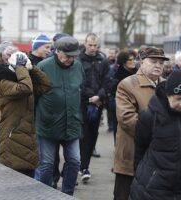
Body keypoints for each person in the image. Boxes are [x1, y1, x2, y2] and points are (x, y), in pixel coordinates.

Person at [129, 70, 181, 200]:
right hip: (154, 187)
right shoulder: (150, 115)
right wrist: (144, 176)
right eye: (178, 99)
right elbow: (140, 148)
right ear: (167, 95)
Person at [113, 46, 169, 200]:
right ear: (142, 62)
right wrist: (160, 133)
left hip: (158, 155)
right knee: (124, 194)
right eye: (153, 61)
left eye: (161, 62)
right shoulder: (127, 84)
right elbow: (127, 119)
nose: (158, 65)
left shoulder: (167, 85)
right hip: (131, 154)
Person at [35, 36, 85, 195]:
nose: (71, 59)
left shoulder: (78, 66)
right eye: (68, 55)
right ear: (58, 51)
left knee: (75, 161)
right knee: (47, 165)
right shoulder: (43, 66)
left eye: (74, 56)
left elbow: (81, 90)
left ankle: (67, 195)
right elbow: (34, 96)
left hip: (72, 124)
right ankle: (45, 195)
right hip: (48, 125)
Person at [0, 51, 51, 178]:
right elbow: (25, 88)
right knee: (13, 180)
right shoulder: (4, 82)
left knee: (27, 181)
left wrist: (32, 68)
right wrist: (21, 68)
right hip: (12, 137)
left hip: (27, 136)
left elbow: (46, 85)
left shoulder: (25, 79)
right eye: (21, 66)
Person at [78, 33, 110, 183]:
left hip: (97, 104)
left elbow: (107, 82)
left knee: (93, 135)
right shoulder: (78, 60)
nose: (92, 48)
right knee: (82, 135)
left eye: (95, 45)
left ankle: (84, 165)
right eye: (90, 45)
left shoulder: (102, 61)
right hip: (82, 103)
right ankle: (82, 166)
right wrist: (89, 97)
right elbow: (78, 82)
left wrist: (99, 97)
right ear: (85, 44)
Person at [109, 49, 137, 145]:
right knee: (119, 131)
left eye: (134, 59)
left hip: (135, 108)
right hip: (120, 109)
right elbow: (112, 95)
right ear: (124, 62)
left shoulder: (138, 74)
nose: (133, 62)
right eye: (130, 60)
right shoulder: (118, 76)